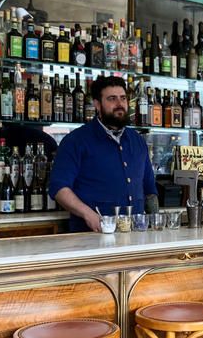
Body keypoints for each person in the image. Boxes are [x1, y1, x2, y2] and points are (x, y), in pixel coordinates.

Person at [49, 76, 158, 232]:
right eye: (112, 99)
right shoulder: (76, 141)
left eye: (123, 98)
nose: (119, 104)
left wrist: (155, 221)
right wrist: (88, 215)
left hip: (135, 234)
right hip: (91, 234)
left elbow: (149, 191)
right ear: (97, 104)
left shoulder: (137, 141)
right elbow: (59, 188)